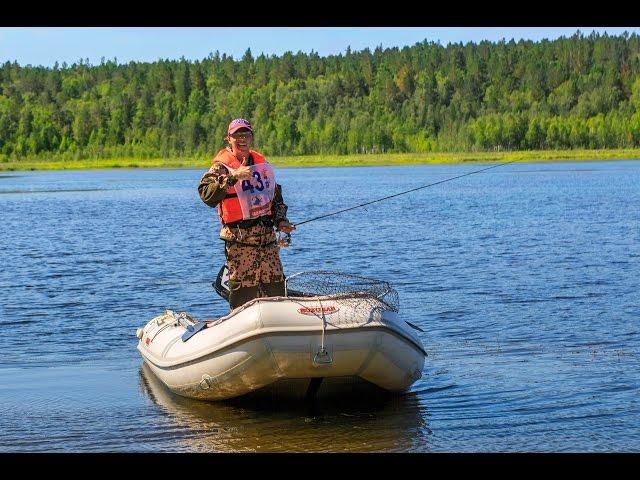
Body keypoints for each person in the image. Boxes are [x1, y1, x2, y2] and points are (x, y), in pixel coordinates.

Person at [198, 118, 295, 310]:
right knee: (244, 295)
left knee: (276, 291)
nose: (242, 139)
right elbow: (206, 194)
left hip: (268, 243)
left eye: (246, 135)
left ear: (251, 138)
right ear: (229, 139)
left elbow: (275, 197)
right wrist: (233, 177)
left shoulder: (261, 164)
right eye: (237, 135)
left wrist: (281, 221)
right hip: (240, 244)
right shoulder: (221, 167)